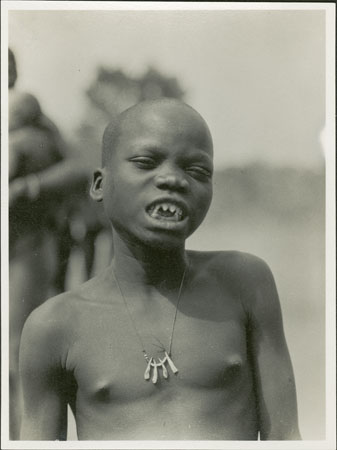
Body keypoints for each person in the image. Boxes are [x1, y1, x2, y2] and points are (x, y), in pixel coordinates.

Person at [19, 98, 301, 440]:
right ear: (98, 185)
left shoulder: (244, 284)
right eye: (146, 162)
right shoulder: (54, 326)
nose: (172, 179)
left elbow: (286, 439)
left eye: (197, 171)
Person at [8, 48, 89, 439]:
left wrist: (29, 186)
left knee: (19, 344)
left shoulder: (31, 120)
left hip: (25, 241)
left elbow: (77, 167)